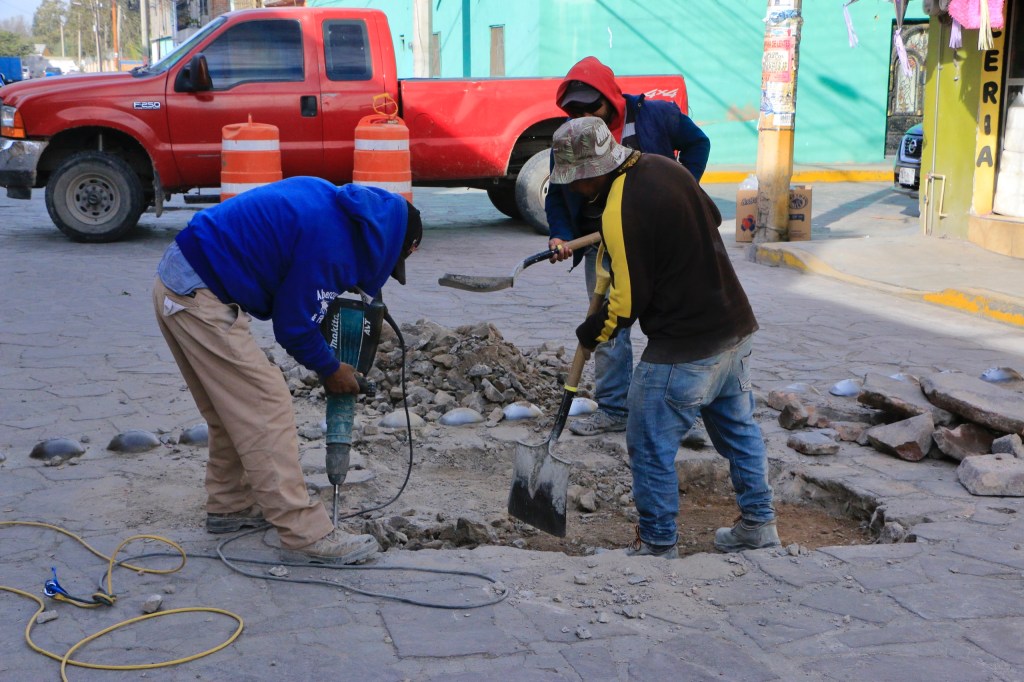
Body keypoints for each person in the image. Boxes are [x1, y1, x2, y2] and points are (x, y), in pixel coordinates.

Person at [152, 177, 421, 565]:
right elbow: (293, 327)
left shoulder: (336, 208)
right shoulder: (332, 243)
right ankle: (304, 533)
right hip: (196, 296)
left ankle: (230, 504)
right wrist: (330, 369)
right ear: (387, 242)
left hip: (182, 282)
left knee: (232, 407)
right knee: (265, 401)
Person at [549, 117, 779, 557]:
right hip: (735, 328)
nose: (574, 191)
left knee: (649, 440)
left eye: (575, 182)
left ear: (591, 172)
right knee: (739, 431)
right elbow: (708, 216)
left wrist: (599, 328)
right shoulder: (666, 167)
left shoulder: (618, 206)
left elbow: (628, 299)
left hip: (684, 347)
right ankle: (759, 524)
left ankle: (657, 542)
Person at [544, 56, 711, 438]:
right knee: (610, 331)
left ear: (611, 97)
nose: (586, 116)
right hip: (603, 246)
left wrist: (682, 189)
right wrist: (560, 234)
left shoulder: (656, 116)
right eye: (576, 111)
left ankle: (683, 415)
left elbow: (698, 143)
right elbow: (558, 192)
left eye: (593, 107)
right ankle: (615, 408)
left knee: (669, 326)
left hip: (659, 243)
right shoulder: (570, 138)